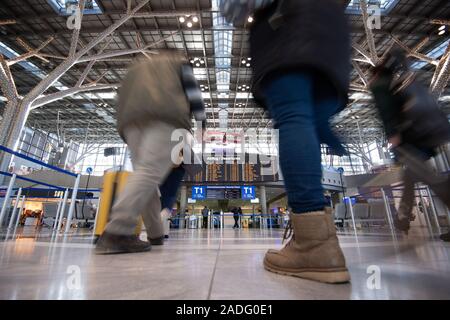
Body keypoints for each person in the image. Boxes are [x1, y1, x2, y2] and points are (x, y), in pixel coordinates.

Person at [220, 0, 351, 283]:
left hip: (289, 26)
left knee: (293, 117)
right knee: (310, 120)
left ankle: (313, 244)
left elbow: (234, 7)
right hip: (333, 33)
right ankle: (325, 243)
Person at [95, 51, 205, 254]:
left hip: (130, 122)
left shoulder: (137, 66)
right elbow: (192, 89)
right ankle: (117, 231)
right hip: (164, 117)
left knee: (145, 176)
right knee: (149, 173)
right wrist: (201, 119)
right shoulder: (178, 62)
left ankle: (155, 233)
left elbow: (119, 96)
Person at [370, 50, 450, 239]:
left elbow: (386, 114)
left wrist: (392, 136)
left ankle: (402, 218)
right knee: (410, 179)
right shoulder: (396, 85)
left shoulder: (380, 87)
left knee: (434, 181)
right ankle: (403, 218)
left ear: (375, 74)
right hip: (421, 141)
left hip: (407, 144)